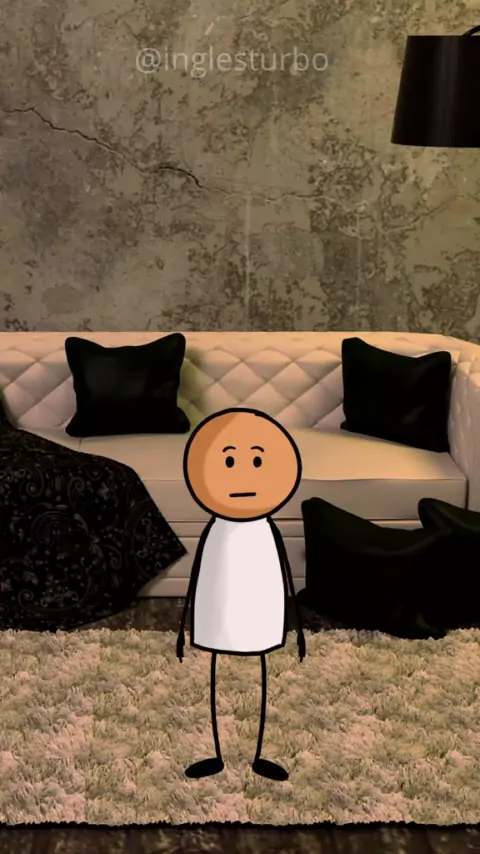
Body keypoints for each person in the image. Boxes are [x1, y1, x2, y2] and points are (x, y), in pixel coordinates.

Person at [177, 407, 306, 781]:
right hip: (219, 595)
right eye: (229, 461)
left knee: (262, 663)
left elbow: (285, 574)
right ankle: (216, 753)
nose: (243, 474)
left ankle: (260, 753)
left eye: (257, 461)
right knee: (216, 663)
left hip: (260, 596)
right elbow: (197, 576)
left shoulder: (266, 531)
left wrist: (298, 630)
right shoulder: (215, 532)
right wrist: (183, 627)